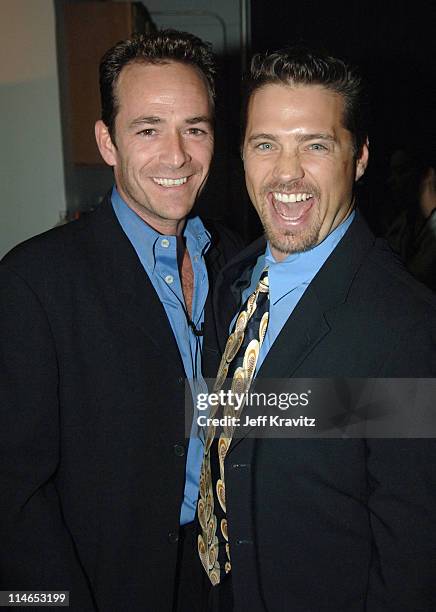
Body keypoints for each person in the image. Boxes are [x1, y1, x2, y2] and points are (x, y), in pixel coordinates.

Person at [0, 30, 242, 611]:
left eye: (195, 128)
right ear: (107, 142)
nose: (177, 154)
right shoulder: (35, 282)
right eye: (148, 128)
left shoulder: (237, 262)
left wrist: (401, 409)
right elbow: (15, 496)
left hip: (227, 579)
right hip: (105, 585)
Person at [200, 47, 436, 611]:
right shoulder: (234, 278)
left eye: (315, 145)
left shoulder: (402, 330)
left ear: (358, 157)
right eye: (266, 145)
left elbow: (413, 562)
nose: (287, 172)